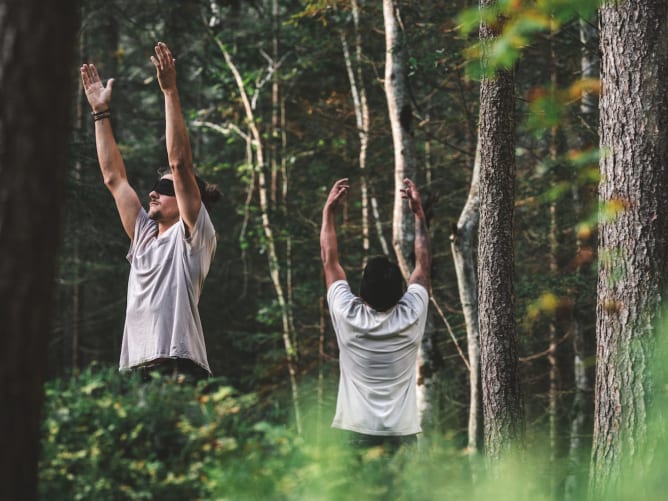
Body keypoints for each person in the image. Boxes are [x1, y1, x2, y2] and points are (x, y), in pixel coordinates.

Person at [80, 42, 219, 382]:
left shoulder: (194, 235)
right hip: (135, 365)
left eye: (168, 189)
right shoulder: (144, 234)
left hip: (178, 362)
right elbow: (114, 179)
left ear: (190, 198)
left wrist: (170, 90)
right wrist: (100, 113)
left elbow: (180, 162)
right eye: (158, 185)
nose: (154, 192)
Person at [320, 177, 431, 453]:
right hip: (401, 437)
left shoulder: (347, 313)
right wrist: (419, 216)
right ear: (400, 291)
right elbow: (423, 265)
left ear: (362, 291)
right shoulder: (412, 314)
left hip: (354, 434)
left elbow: (329, 260)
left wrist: (328, 212)